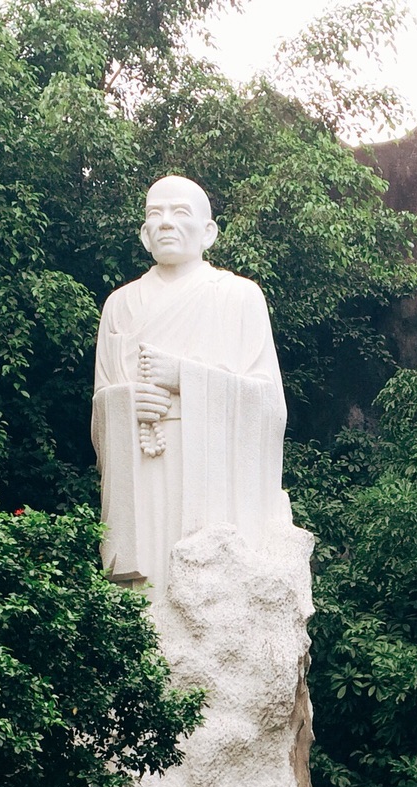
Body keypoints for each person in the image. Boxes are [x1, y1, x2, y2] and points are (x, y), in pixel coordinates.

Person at [91, 175, 293, 588]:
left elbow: (269, 405)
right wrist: (128, 403)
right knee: (147, 597)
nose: (166, 223)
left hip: (211, 474)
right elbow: (101, 407)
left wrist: (184, 378)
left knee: (206, 584)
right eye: (155, 215)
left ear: (208, 232)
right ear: (145, 236)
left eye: (180, 213)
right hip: (143, 470)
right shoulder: (120, 306)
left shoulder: (238, 297)